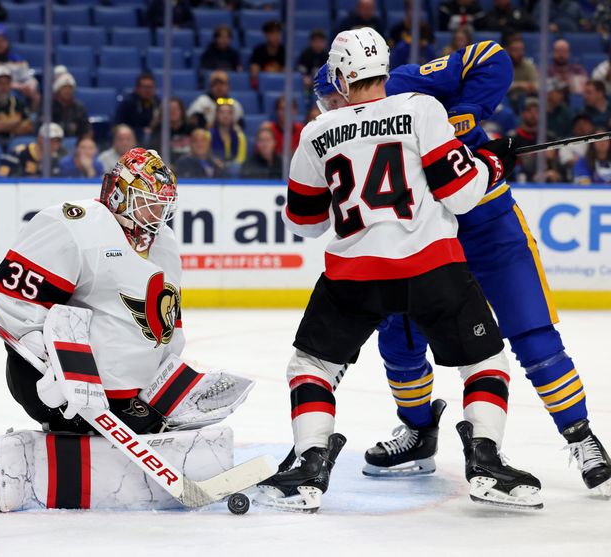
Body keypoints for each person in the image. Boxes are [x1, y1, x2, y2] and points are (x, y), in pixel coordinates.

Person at [256, 28, 537, 513]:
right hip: (431, 267)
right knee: (486, 361)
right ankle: (486, 459)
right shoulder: (420, 108)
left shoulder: (317, 132)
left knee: (312, 367)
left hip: (353, 276)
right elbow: (462, 194)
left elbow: (304, 223)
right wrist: (491, 162)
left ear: (342, 74)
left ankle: (309, 465)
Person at [361, 40, 610, 495]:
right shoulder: (341, 134)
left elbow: (489, 56)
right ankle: (419, 433)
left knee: (533, 334)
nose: (336, 107)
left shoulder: (403, 84)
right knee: (399, 334)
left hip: (490, 223)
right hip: (428, 235)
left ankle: (581, 436)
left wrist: (465, 116)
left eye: (336, 96)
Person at [0, 146, 251, 434]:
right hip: (62, 385)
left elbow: (167, 320)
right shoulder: (76, 225)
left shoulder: (164, 242)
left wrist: (166, 375)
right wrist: (48, 359)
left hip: (129, 397)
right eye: (149, 202)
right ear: (119, 193)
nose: (157, 213)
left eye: (163, 205)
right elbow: (12, 294)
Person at [0, 65, 34, 143]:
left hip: (15, 141)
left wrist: (4, 122)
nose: (4, 87)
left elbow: (29, 127)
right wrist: (17, 121)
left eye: (7, 83)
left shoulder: (17, 102)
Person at [0, 123, 66, 177]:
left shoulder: (57, 158)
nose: (54, 145)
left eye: (57, 141)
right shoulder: (19, 153)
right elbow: (3, 178)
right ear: (40, 138)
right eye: (51, 140)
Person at [115, 73, 159, 142]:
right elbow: (118, 124)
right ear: (137, 88)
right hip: (131, 137)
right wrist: (141, 130)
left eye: (150, 87)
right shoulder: (128, 103)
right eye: (145, 87)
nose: (148, 90)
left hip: (153, 137)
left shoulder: (157, 102)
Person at [51, 71, 91, 140]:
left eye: (70, 88)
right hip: (52, 143)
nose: (68, 91)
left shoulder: (79, 107)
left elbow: (86, 131)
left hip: (76, 143)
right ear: (57, 90)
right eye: (64, 88)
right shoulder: (50, 107)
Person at [209, 100, 246, 167]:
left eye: (229, 113)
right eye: (222, 112)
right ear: (216, 115)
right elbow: (207, 155)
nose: (225, 116)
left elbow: (241, 159)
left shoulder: (240, 136)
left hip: (234, 172)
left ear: (233, 116)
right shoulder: (208, 135)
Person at [249, 20, 285, 88]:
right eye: (273, 33)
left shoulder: (284, 51)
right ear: (266, 35)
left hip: (280, 86)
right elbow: (254, 73)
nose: (276, 36)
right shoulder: (258, 51)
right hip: (263, 86)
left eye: (278, 33)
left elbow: (287, 74)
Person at [506, 35, 538, 108]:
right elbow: (501, 87)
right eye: (516, 50)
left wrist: (532, 87)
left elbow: (537, 85)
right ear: (508, 51)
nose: (520, 53)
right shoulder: (503, 66)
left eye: (521, 50)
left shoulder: (529, 66)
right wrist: (520, 85)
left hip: (527, 103)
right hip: (507, 102)